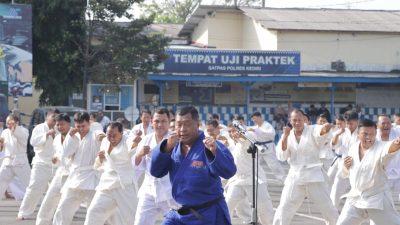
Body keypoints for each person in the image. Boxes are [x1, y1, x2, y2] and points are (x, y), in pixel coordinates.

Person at [150, 106, 237, 225]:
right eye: (178, 124)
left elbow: (229, 171)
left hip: (207, 214)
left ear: (197, 124)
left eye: (187, 124)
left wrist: (215, 152)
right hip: (178, 213)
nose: (182, 129)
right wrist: (165, 149)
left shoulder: (210, 145)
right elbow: (156, 171)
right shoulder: (172, 146)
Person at [272, 109, 338, 225]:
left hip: (314, 178)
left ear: (304, 120)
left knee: (329, 209)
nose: (297, 123)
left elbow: (321, 131)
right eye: (294, 120)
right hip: (295, 177)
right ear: (290, 121)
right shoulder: (287, 134)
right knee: (284, 209)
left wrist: (325, 128)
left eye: (299, 120)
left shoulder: (312, 129)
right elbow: (282, 156)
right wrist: (285, 137)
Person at [337, 119, 400, 225]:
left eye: (372, 134)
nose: (368, 137)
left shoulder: (381, 147)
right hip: (355, 199)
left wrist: (397, 143)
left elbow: (390, 148)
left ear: (376, 134)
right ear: (358, 134)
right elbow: (347, 172)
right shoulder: (353, 147)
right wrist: (346, 166)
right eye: (365, 134)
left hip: (377, 200)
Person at [53, 112, 105, 225]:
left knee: (94, 210)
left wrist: (103, 138)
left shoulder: (95, 133)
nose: (81, 129)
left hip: (93, 176)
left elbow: (101, 136)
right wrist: (70, 137)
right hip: (76, 176)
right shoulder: (72, 136)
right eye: (78, 126)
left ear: (89, 123)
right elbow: (66, 153)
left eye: (84, 126)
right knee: (63, 207)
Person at [84, 122, 141, 225]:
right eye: (109, 135)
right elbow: (98, 163)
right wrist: (100, 158)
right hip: (107, 184)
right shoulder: (105, 141)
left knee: (132, 218)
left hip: (124, 185)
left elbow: (132, 146)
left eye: (115, 135)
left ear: (121, 133)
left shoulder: (126, 140)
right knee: (93, 212)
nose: (112, 138)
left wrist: (135, 143)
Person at [133, 108, 177, 225]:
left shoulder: (174, 140)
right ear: (152, 121)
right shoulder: (146, 139)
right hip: (149, 190)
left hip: (170, 191)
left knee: (176, 222)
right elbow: (136, 165)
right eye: (157, 121)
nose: (160, 124)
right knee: (140, 222)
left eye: (163, 121)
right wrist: (139, 154)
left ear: (169, 122)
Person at [225, 127, 274, 225]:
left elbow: (248, 137)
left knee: (264, 209)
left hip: (253, 179)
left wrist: (241, 135)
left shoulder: (248, 138)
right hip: (238, 180)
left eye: (234, 131)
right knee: (226, 205)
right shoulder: (231, 144)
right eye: (230, 131)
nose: (232, 133)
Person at [17, 110, 58, 219]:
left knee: (59, 189)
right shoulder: (39, 128)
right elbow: (33, 142)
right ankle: (24, 212)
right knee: (34, 188)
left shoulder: (60, 128)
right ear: (47, 116)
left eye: (57, 117)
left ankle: (59, 213)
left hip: (56, 164)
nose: (55, 119)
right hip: (41, 163)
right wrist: (47, 134)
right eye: (53, 116)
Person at [36, 113, 72, 225]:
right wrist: (55, 159)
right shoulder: (56, 138)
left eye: (62, 124)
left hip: (73, 174)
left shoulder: (76, 136)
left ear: (69, 124)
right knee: (49, 198)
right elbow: (58, 154)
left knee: (64, 204)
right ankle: (42, 222)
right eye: (58, 125)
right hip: (60, 172)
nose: (60, 127)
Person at [329, 111, 359, 210]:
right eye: (347, 123)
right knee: (336, 189)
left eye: (351, 123)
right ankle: (331, 214)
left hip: (358, 168)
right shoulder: (343, 132)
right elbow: (334, 145)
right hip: (345, 166)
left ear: (357, 122)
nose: (348, 126)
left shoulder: (362, 132)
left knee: (358, 193)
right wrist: (337, 135)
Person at [0, 114, 30, 203]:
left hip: (20, 162)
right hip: (8, 161)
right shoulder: (5, 132)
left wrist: (14, 129)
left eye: (10, 123)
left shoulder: (24, 130)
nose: (8, 125)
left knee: (29, 185)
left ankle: (36, 203)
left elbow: (22, 137)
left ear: (17, 122)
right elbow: (3, 147)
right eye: (7, 123)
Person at [249, 111, 286, 183]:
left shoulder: (267, 125)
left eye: (255, 118)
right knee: (254, 164)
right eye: (253, 119)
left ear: (259, 117)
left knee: (274, 166)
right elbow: (249, 130)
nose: (254, 120)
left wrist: (255, 130)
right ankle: (258, 180)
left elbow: (271, 135)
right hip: (259, 149)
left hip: (268, 148)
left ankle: (284, 180)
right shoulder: (256, 127)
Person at [376, 114, 400, 201]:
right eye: (383, 123)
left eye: (388, 123)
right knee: (381, 201)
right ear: (377, 125)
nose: (386, 125)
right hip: (382, 175)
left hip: (398, 173)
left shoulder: (397, 132)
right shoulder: (373, 136)